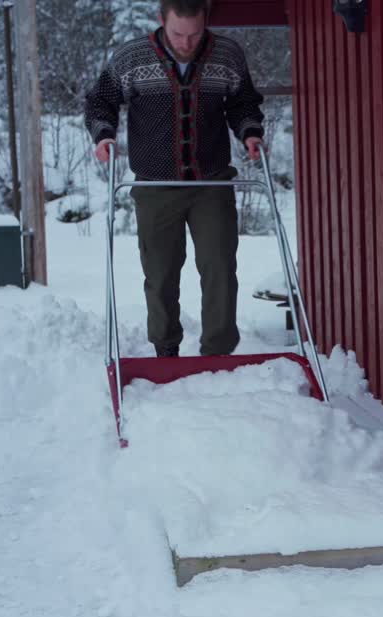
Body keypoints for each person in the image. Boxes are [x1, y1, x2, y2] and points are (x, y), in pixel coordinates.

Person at [84, 0, 265, 358]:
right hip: (155, 185)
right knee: (161, 273)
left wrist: (249, 131)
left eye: (194, 34)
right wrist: (104, 134)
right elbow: (100, 100)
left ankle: (218, 351)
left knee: (219, 267)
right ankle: (165, 349)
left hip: (211, 183)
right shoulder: (132, 57)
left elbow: (243, 102)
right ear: (161, 20)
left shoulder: (227, 54)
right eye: (178, 34)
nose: (185, 43)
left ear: (206, 24)